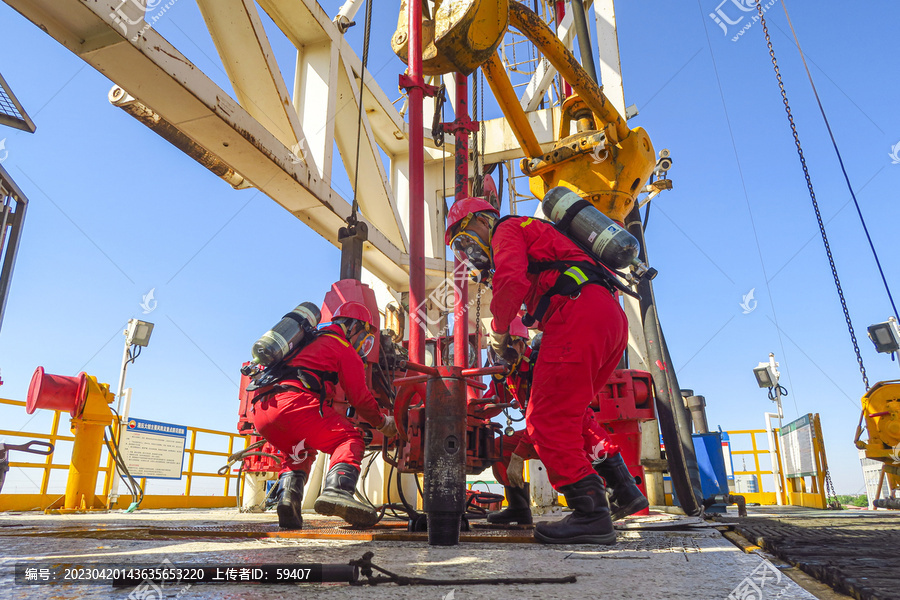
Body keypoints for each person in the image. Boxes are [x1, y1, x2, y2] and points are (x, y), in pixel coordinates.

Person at [446, 192, 629, 544]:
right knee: (568, 415)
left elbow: (512, 280)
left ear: (483, 221)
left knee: (545, 417)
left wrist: (498, 330)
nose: (469, 254)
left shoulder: (506, 229)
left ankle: (591, 513)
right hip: (605, 316)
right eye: (460, 250)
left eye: (466, 242)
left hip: (578, 314)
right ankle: (611, 498)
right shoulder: (533, 233)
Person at [479, 324, 648, 526]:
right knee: (499, 446)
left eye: (506, 348)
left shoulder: (541, 364)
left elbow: (542, 417)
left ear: (521, 344)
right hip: (541, 429)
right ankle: (518, 508)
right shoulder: (507, 374)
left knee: (590, 445)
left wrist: (518, 455)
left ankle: (608, 502)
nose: (502, 357)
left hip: (563, 425)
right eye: (496, 351)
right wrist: (468, 412)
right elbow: (493, 401)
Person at [252, 301, 398, 529]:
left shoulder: (308, 339)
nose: (363, 343)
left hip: (262, 410)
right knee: (349, 439)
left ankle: (288, 502)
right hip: (295, 404)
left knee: (299, 452)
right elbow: (360, 398)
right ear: (354, 327)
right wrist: (382, 423)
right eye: (364, 336)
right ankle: (337, 491)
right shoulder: (342, 347)